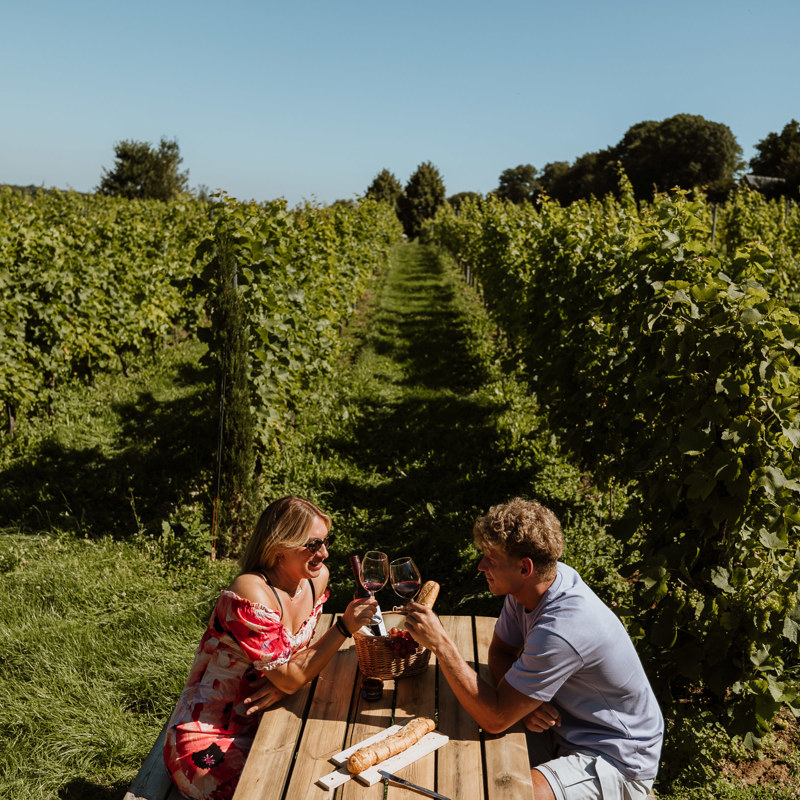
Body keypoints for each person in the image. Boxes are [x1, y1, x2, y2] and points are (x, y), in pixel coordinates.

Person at [404, 497, 663, 800]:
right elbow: (500, 653)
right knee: (465, 752)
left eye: (491, 558)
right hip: (561, 725)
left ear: (524, 567)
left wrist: (442, 645)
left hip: (614, 756)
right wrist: (530, 703)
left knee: (508, 794)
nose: (481, 565)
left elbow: (496, 717)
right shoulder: (532, 589)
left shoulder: (562, 628)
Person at [163, 496, 377, 800]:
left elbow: (292, 666)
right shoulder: (250, 594)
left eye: (327, 541)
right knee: (284, 788)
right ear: (279, 549)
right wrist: (341, 629)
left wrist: (285, 682)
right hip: (210, 734)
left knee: (328, 773)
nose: (325, 553)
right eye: (314, 545)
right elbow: (291, 673)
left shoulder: (315, 580)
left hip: (271, 719)